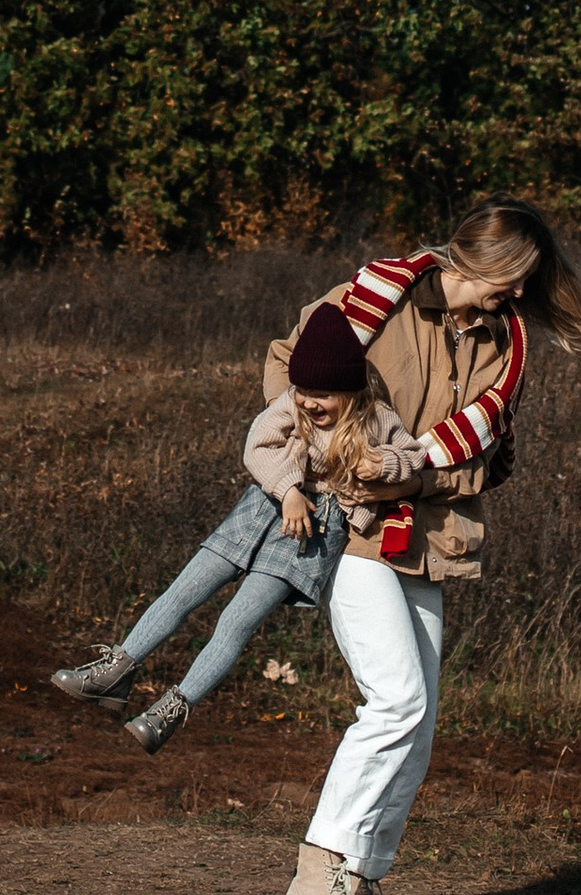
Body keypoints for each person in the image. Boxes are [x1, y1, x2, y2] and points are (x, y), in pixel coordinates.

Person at [273, 200, 581, 895]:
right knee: (397, 697)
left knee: (417, 723)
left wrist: (417, 473)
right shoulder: (376, 297)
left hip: (426, 536)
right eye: (510, 279)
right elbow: (288, 368)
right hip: (349, 529)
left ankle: (358, 880)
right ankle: (313, 879)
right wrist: (325, 464)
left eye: (526, 284)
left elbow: (485, 450)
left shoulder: (505, 343)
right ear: (477, 259)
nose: (517, 296)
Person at [47, 303, 420, 747]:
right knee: (183, 591)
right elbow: (256, 446)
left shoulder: (377, 419)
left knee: (236, 620)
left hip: (312, 534)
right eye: (304, 390)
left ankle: (172, 708)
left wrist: (383, 464)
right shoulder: (290, 405)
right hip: (264, 506)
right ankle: (116, 671)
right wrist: (289, 491)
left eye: (324, 394)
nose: (310, 402)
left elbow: (413, 462)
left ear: (352, 391)